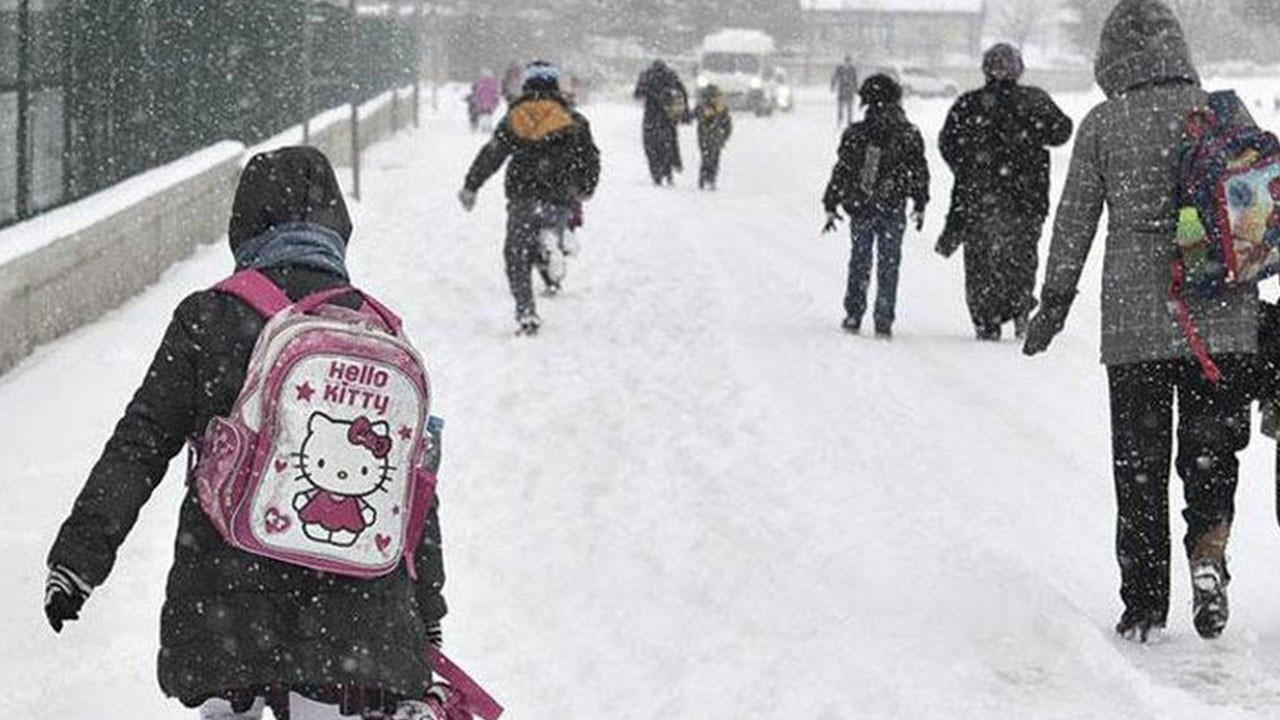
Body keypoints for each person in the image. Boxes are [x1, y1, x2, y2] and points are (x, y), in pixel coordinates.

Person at [42, 147, 448, 718]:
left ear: (244, 223)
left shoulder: (208, 317)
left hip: (224, 603)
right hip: (355, 621)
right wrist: (426, 608)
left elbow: (140, 444)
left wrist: (79, 559)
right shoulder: (378, 331)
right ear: (337, 226)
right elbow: (414, 489)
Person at [1023, 0, 1256, 643]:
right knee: (1210, 454)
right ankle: (1208, 556)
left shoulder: (1104, 122)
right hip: (1222, 319)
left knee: (1141, 467)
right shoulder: (1221, 110)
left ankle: (1145, 605)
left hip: (1136, 324)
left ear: (1110, 57)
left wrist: (1054, 301)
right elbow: (1260, 209)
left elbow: (1074, 221)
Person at [939, 43, 1073, 342]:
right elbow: (1062, 131)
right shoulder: (1032, 100)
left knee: (982, 262)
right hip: (1026, 196)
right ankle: (1018, 308)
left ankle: (988, 317)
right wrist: (1032, 134)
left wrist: (969, 168)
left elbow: (948, 143)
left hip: (983, 197)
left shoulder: (970, 104)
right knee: (1020, 258)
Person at [458, 61, 601, 336]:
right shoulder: (574, 120)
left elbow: (493, 154)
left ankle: (526, 313)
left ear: (527, 85)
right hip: (559, 197)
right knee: (546, 233)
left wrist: (471, 185)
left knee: (516, 254)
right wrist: (585, 188)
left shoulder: (515, 117)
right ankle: (552, 247)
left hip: (523, 195)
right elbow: (590, 159)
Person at [822, 74, 929, 339]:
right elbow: (919, 170)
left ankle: (854, 313)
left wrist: (831, 201)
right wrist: (920, 200)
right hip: (893, 206)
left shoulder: (857, 133)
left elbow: (843, 170)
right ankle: (883, 317)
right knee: (889, 263)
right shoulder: (908, 133)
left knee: (860, 260)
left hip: (862, 206)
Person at [633, 59, 689, 186]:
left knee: (651, 146)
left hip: (651, 116)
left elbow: (637, 94)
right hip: (667, 115)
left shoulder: (646, 76)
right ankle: (668, 169)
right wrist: (685, 112)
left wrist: (650, 93)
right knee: (668, 144)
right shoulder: (670, 75)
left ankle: (656, 173)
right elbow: (682, 92)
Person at [695, 84, 733, 191]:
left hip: (713, 138)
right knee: (709, 158)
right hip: (710, 138)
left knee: (711, 159)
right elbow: (727, 124)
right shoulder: (706, 108)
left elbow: (727, 124)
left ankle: (708, 179)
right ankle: (707, 179)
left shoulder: (720, 109)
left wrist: (725, 135)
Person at [831, 55, 859, 127]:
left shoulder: (852, 69)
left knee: (849, 107)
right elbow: (835, 77)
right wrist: (833, 85)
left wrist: (856, 89)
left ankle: (849, 121)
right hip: (842, 90)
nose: (848, 63)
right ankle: (840, 120)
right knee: (841, 106)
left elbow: (855, 79)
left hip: (849, 90)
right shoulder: (840, 68)